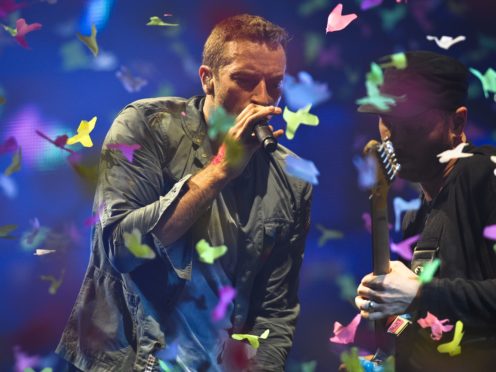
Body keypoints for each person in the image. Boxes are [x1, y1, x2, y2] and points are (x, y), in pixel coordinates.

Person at [55, 14, 312, 372]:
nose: (263, 98)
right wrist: (221, 169)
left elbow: (276, 309)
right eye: (245, 80)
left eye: (275, 84)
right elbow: (120, 248)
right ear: (207, 79)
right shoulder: (145, 126)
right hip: (124, 361)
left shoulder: (291, 178)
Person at [355, 50, 496, 371]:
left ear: (457, 121)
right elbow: (421, 321)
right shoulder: (415, 216)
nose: (392, 138)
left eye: (412, 124)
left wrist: (422, 293)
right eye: (386, 121)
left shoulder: (486, 174)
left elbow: (429, 298)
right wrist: (384, 338)